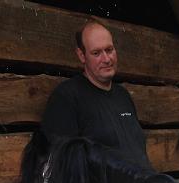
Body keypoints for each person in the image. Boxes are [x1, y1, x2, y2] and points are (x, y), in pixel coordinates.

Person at [40, 17, 151, 170]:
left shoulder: (123, 96)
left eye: (109, 50)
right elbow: (65, 168)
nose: (106, 59)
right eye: (96, 53)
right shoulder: (67, 97)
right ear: (81, 55)